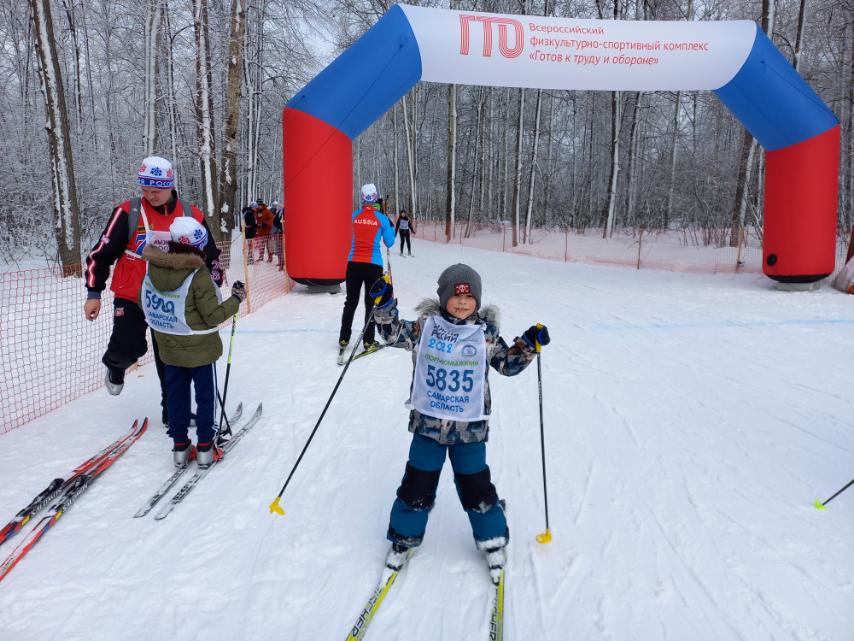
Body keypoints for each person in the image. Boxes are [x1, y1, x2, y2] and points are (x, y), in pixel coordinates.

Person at [367, 263, 550, 584]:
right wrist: (384, 306)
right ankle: (404, 537)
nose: (463, 302)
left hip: (469, 430)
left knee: (475, 486)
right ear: (443, 298)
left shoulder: (485, 333)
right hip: (428, 427)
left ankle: (492, 538)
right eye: (456, 296)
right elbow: (391, 333)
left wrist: (528, 345)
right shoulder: (426, 327)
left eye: (469, 297)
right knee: (416, 485)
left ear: (477, 300)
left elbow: (507, 365)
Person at [83, 156, 223, 427]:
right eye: (145, 189)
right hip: (132, 293)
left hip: (173, 298)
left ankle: (174, 412)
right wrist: (93, 293)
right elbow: (100, 254)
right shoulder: (128, 212)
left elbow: (210, 254)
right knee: (127, 347)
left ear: (170, 185)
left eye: (156, 190)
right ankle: (115, 365)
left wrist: (214, 286)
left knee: (171, 357)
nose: (150, 195)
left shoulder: (191, 214)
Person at [140, 218, 245, 468]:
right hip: (200, 349)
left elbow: (143, 300)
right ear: (198, 245)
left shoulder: (153, 267)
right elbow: (212, 316)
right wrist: (236, 300)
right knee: (205, 397)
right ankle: (206, 446)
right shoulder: (198, 274)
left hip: (170, 348)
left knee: (177, 397)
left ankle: (180, 446)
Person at [338, 183, 395, 356]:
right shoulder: (381, 218)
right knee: (371, 304)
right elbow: (390, 242)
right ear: (375, 197)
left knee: (350, 301)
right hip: (373, 265)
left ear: (362, 197)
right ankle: (368, 341)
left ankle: (344, 338)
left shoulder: (354, 215)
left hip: (354, 263)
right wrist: (389, 226)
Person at [271, 200, 285, 271]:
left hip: (282, 233)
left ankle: (282, 264)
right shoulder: (280, 212)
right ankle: (281, 263)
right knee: (280, 249)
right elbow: (275, 222)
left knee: (281, 249)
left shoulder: (281, 212)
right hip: (280, 233)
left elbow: (275, 222)